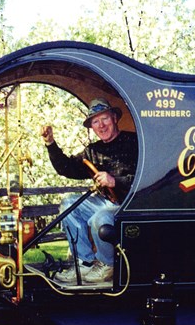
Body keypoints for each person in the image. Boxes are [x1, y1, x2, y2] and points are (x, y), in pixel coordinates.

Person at [40, 98, 137, 284]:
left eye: (105, 119)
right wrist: (50, 143)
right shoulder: (93, 151)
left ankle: (107, 265)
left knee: (99, 218)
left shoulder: (134, 142)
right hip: (104, 202)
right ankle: (84, 262)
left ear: (115, 118)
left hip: (129, 205)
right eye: (95, 121)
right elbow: (66, 168)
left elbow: (146, 180)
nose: (101, 126)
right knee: (69, 203)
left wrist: (115, 181)